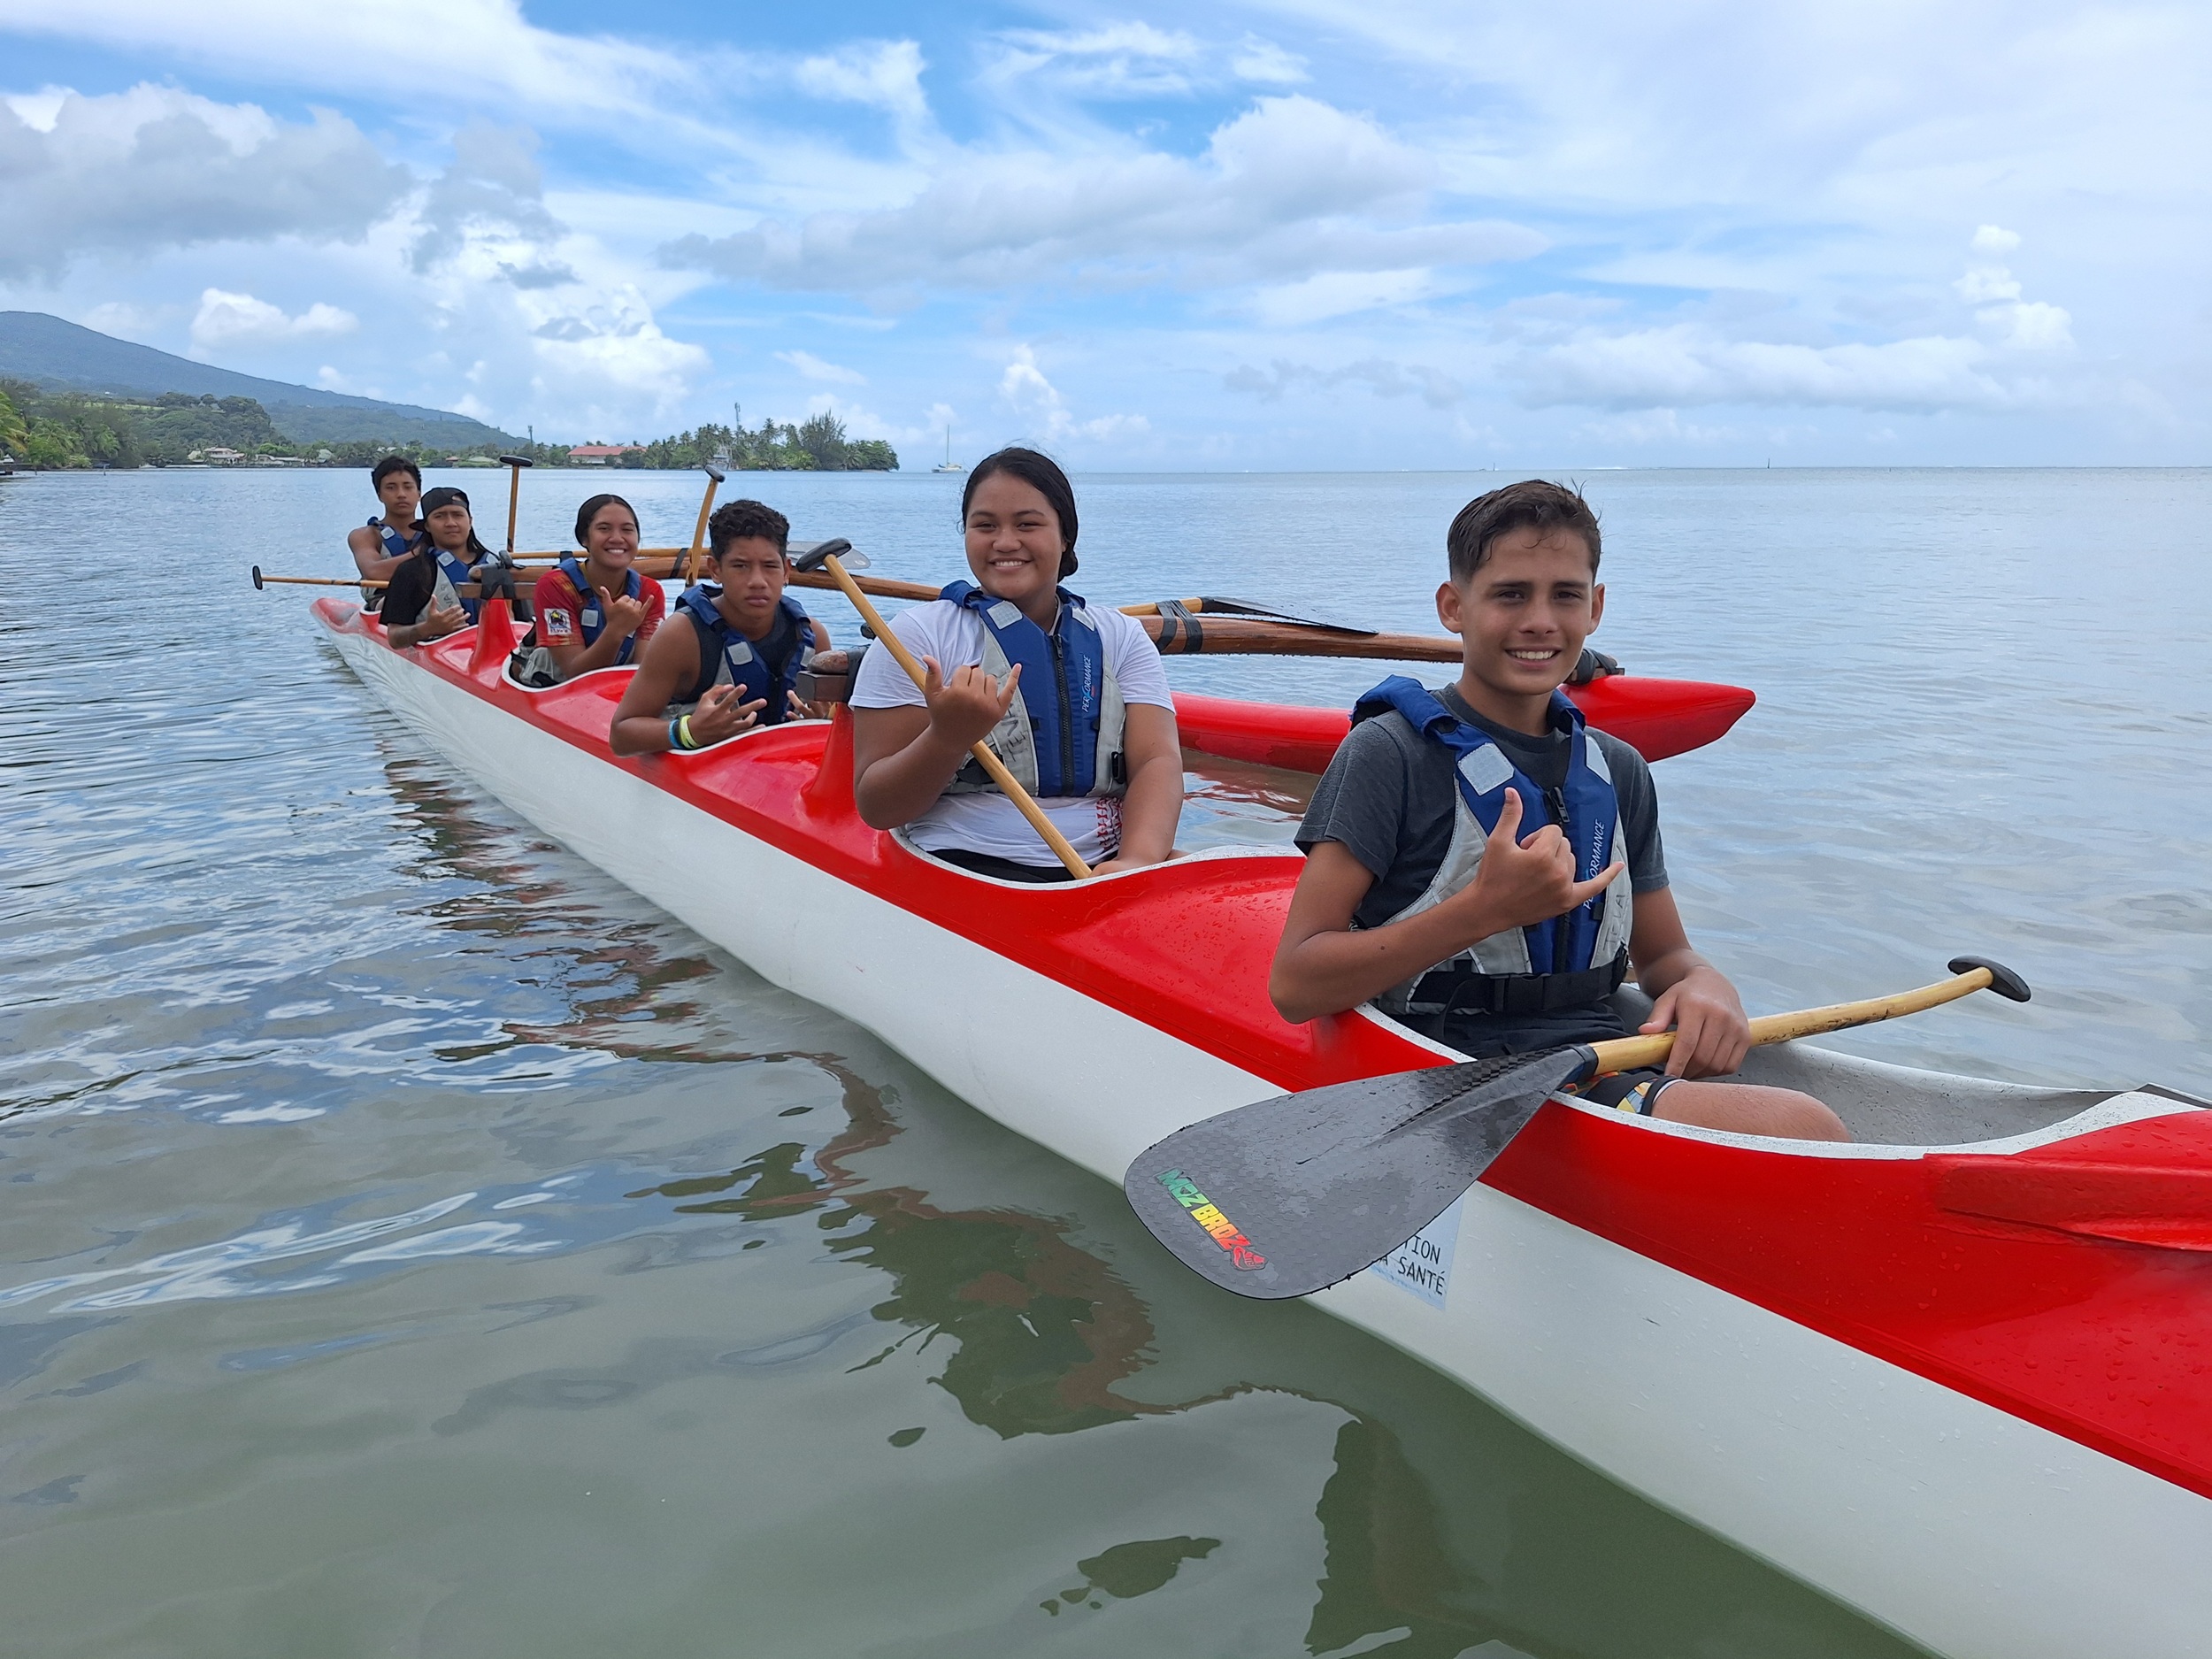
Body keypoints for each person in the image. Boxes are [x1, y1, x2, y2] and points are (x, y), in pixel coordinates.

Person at [1269, 480, 1848, 1141]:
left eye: (1565, 595)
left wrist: (1708, 983)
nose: (1541, 619)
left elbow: (1666, 958)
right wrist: (1483, 910)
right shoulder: (1388, 755)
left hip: (1591, 1058)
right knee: (1809, 1127)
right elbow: (1296, 983)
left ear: (1596, 607)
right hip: (1448, 1067)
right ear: (1453, 606)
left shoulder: (1618, 769)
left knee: (1802, 1116)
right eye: (1511, 594)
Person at [849, 447, 1183, 881]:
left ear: (1065, 537)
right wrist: (948, 739)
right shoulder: (917, 637)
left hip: (1107, 865)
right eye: (984, 525)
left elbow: (1158, 763)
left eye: (1028, 524)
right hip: (964, 864)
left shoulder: (1121, 636)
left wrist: (1137, 860)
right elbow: (877, 807)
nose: (1005, 542)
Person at [608, 499, 839, 755]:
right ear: (716, 570)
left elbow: (835, 723)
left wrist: (824, 724)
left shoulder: (813, 636)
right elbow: (621, 734)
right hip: (705, 777)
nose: (757, 581)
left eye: (770, 566)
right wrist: (690, 732)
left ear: (786, 571)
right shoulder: (682, 636)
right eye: (740, 566)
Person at [511, 494, 666, 687]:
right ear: (584, 538)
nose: (617, 538)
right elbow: (574, 672)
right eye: (604, 529)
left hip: (618, 687)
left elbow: (643, 670)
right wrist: (616, 630)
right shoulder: (556, 585)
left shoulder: (650, 592)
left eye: (627, 530)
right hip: (556, 682)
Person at [379, 485, 495, 649]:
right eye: (440, 516)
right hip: (443, 654)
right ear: (427, 526)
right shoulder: (411, 571)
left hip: (494, 655)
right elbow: (394, 638)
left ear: (470, 521)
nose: (450, 523)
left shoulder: (498, 567)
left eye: (457, 515)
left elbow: (525, 623)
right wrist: (427, 628)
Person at [345, 456, 424, 610]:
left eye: (408, 487)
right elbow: (374, 572)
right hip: (383, 601)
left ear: (419, 493)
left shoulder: (437, 531)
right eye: (391, 487)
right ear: (379, 495)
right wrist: (424, 552)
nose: (401, 494)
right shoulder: (364, 536)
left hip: (433, 597)